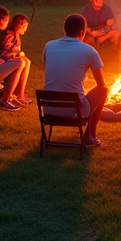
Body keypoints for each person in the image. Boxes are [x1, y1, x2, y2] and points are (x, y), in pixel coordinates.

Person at [42, 13, 109, 148]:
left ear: (65, 29)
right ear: (82, 31)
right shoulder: (89, 51)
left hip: (48, 108)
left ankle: (89, 135)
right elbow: (101, 84)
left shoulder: (49, 46)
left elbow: (54, 72)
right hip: (73, 110)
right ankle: (90, 135)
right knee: (103, 89)